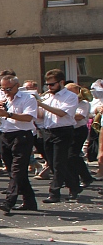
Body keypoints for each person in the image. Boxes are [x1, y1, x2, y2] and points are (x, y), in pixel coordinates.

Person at [0, 75, 38, 214]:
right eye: (2, 88)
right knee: (13, 170)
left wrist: (8, 114)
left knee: (17, 170)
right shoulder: (2, 98)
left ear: (17, 86)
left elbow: (29, 117)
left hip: (22, 135)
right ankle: (30, 201)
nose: (5, 91)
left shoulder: (28, 99)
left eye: (8, 88)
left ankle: (9, 201)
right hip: (5, 135)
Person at [36, 69, 81, 203]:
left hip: (63, 131)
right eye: (47, 85)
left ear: (61, 82)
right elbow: (41, 115)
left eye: (52, 84)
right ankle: (74, 186)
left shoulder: (70, 96)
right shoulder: (48, 96)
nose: (49, 88)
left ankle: (54, 193)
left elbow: (61, 113)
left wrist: (42, 104)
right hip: (49, 131)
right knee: (54, 163)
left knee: (58, 162)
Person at [67, 83, 95, 187]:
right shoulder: (68, 102)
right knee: (72, 156)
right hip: (69, 130)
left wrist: (65, 113)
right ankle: (84, 177)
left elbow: (80, 116)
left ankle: (83, 178)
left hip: (79, 130)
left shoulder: (84, 103)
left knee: (72, 155)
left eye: (70, 91)